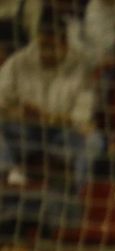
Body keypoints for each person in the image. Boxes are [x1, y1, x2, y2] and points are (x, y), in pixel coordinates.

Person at [0, 16, 101, 187]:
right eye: (42, 46)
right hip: (26, 133)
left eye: (50, 47)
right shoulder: (19, 61)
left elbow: (82, 118)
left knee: (95, 141)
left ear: (65, 45)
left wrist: (47, 117)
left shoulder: (81, 67)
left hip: (62, 136)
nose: (44, 52)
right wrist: (15, 112)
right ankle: (9, 177)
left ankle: (81, 193)